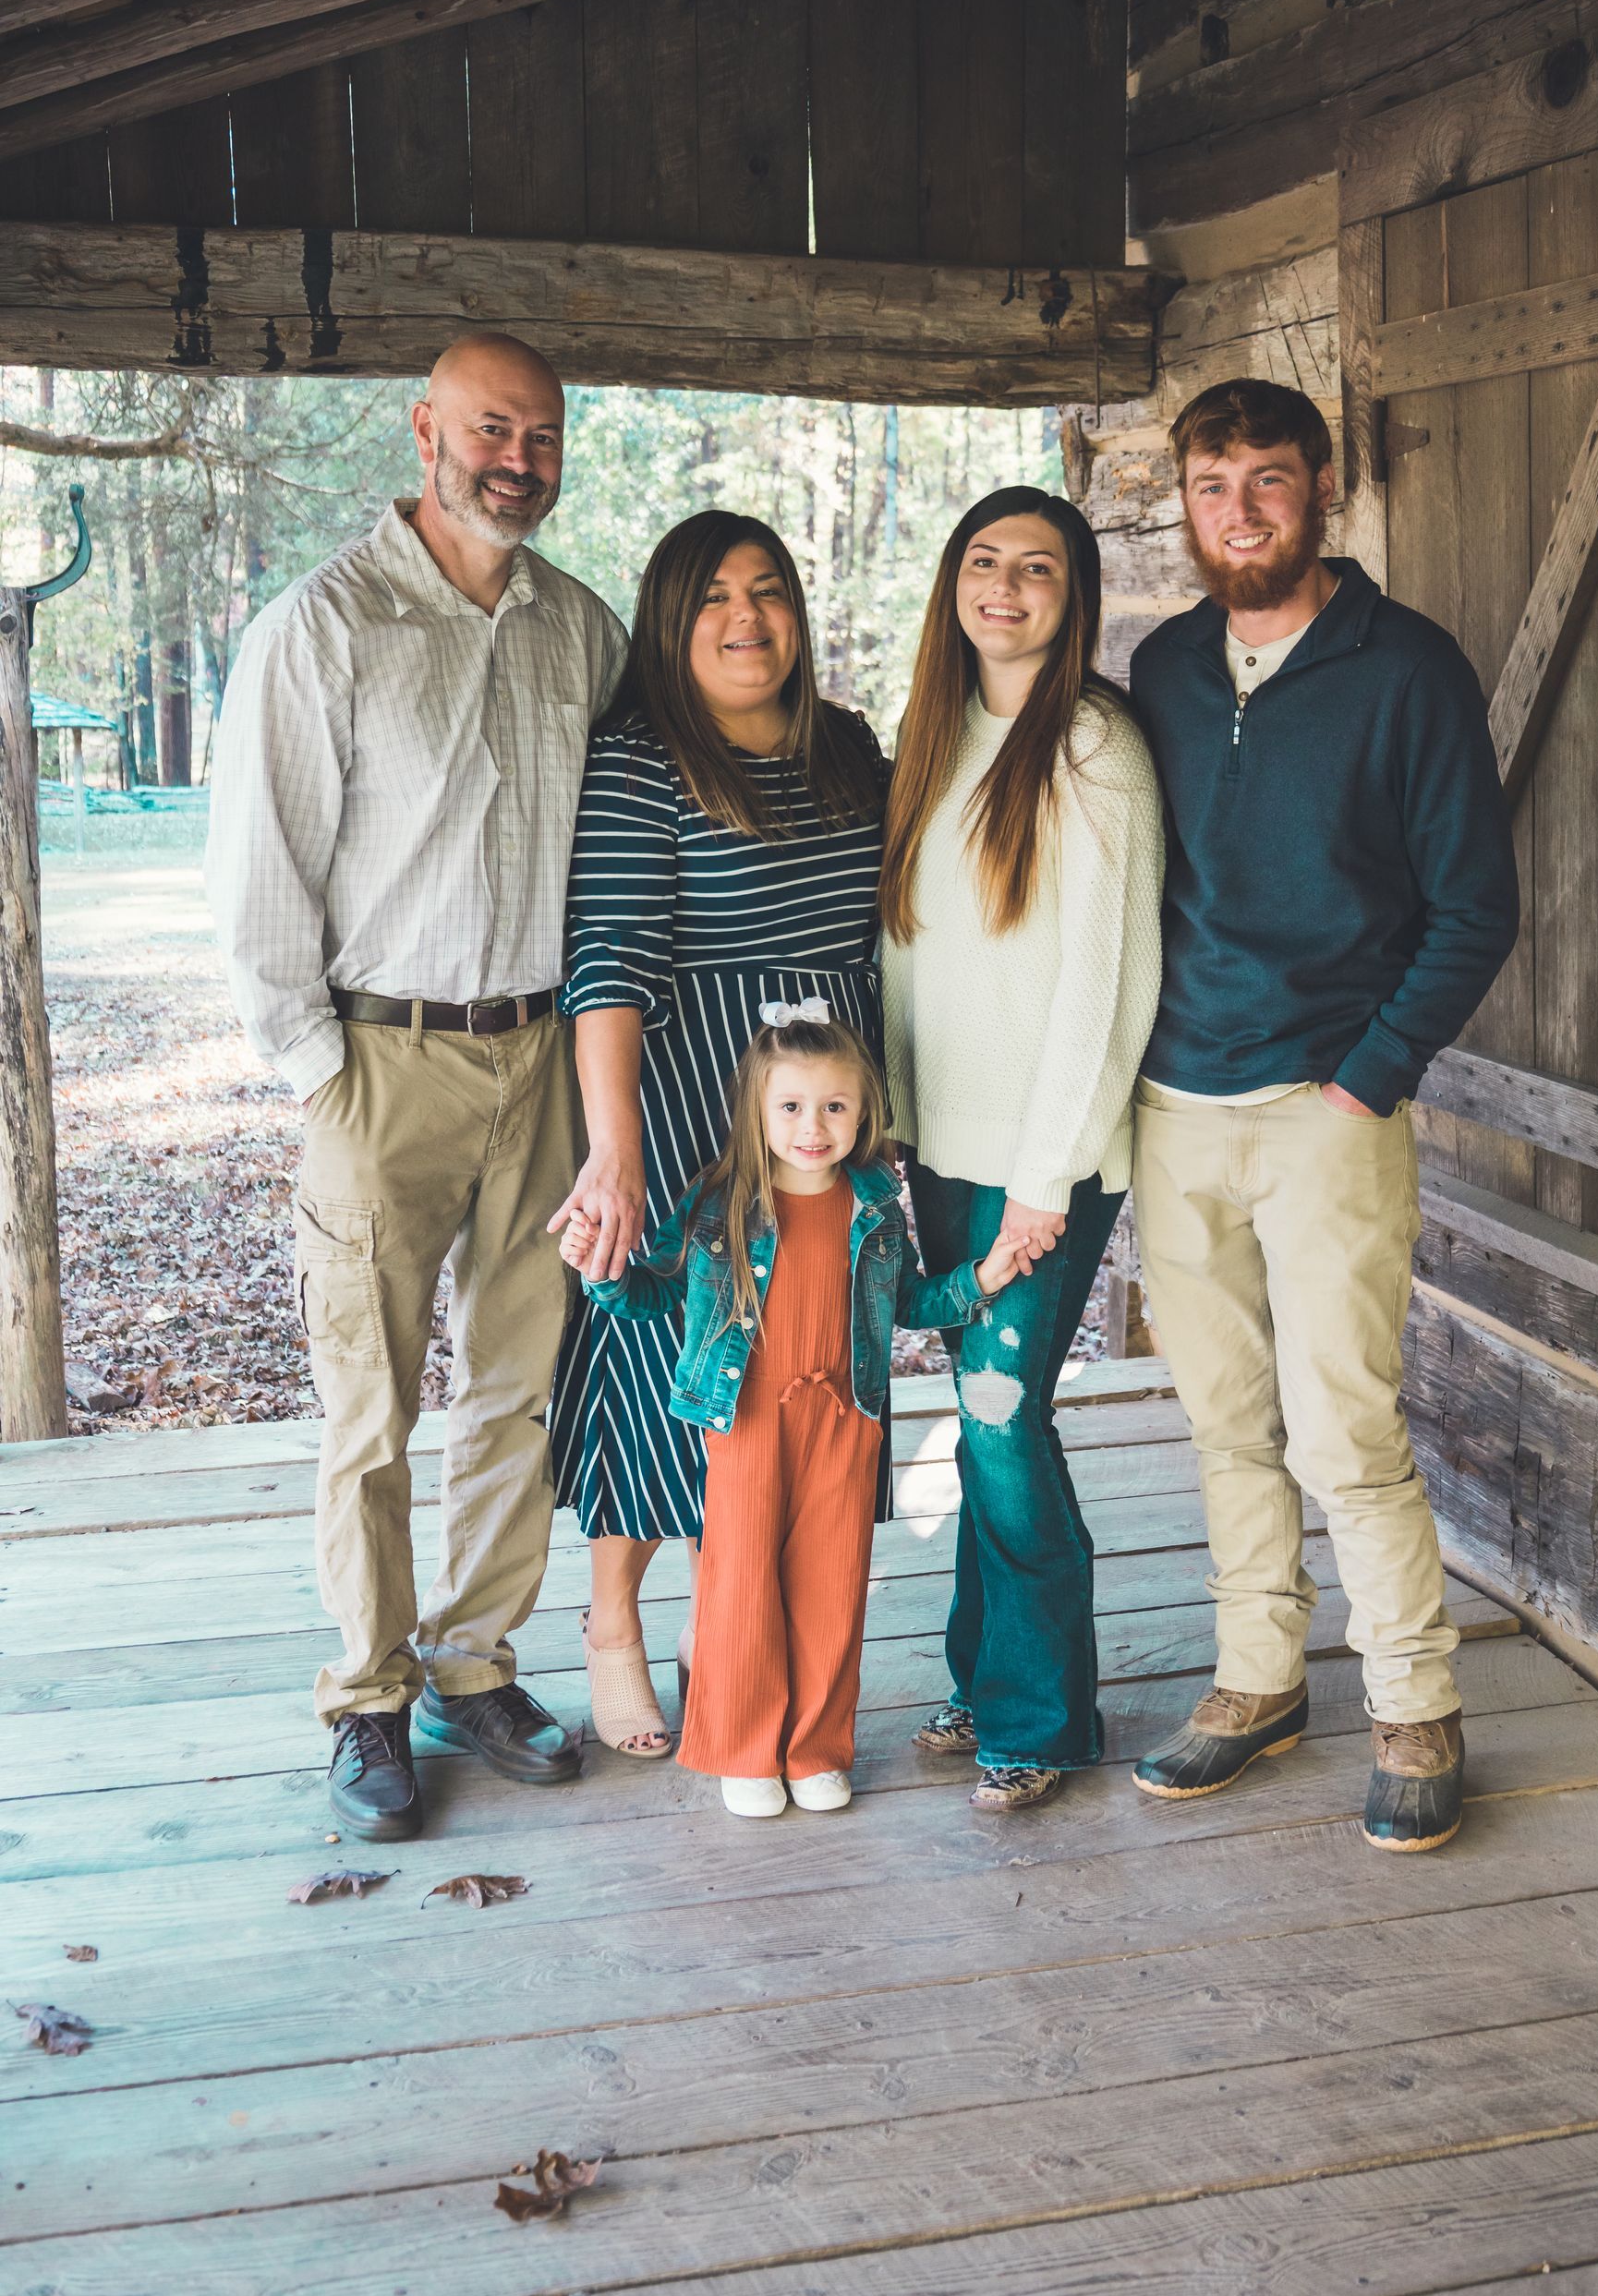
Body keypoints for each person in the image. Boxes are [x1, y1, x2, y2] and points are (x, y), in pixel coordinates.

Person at [206, 334, 627, 1842]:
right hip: (378, 1066)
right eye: (491, 428)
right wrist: (329, 1081)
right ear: (426, 431)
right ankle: (372, 1696)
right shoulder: (321, 628)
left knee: (517, 1393)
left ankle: (473, 1661)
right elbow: (261, 886)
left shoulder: (581, 630)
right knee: (370, 1409)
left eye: (545, 433)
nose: (520, 456)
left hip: (547, 1063)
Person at [1125, 377, 1519, 1852]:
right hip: (1174, 1102)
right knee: (1226, 1417)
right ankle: (1257, 1677)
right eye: (1215, 484)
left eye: (1269, 481)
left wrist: (1374, 1072)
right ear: (1184, 498)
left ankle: (1415, 1699)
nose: (1241, 512)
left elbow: (1478, 904)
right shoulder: (1160, 670)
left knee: (1345, 1425)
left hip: (1325, 1106)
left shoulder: (1405, 668)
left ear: (1325, 484)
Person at [548, 512, 888, 1758]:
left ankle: (728, 1611)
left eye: (769, 592)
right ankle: (613, 1622)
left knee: (787, 1376)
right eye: (714, 601)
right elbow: (609, 967)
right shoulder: (643, 760)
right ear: (671, 623)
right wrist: (614, 1144)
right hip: (697, 1106)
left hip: (826, 1113)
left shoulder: (845, 746)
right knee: (666, 1368)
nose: (747, 620)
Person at [880, 486, 1165, 1811]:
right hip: (941, 1146)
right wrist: (886, 1119)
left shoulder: (1096, 747)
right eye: (984, 562)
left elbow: (1107, 987)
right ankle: (981, 1673)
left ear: (1075, 594)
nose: (1005, 586)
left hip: (1043, 1160)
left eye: (1036, 566)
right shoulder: (933, 736)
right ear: (954, 584)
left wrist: (1045, 1184)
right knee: (979, 1416)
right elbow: (905, 950)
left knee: (1002, 1418)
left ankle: (1043, 1715)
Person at [561, 1009, 1029, 1816]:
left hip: (843, 1419)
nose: (814, 1127)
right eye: (791, 1107)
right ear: (758, 1111)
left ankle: (813, 1748)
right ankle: (746, 1750)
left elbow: (912, 1299)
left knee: (831, 1585)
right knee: (740, 1583)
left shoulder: (875, 1204)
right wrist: (599, 1274)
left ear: (863, 1111)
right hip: (745, 1422)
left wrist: (980, 1278)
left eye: (835, 1107)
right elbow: (654, 1297)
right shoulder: (720, 1203)